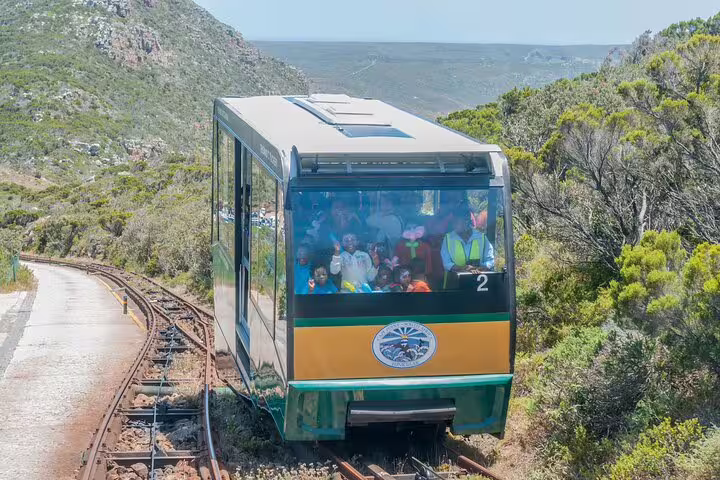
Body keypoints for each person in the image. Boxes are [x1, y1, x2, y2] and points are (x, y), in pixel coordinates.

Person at [441, 209, 494, 288]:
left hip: (478, 287)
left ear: (466, 222)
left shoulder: (481, 238)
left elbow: (490, 261)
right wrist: (464, 269)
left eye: (456, 222)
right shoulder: (448, 238)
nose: (453, 225)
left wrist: (478, 269)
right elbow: (446, 263)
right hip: (454, 286)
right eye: (453, 222)